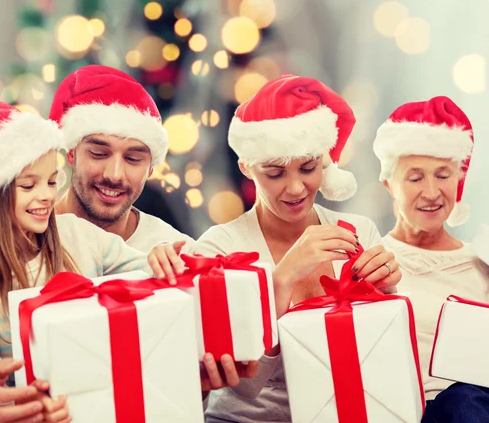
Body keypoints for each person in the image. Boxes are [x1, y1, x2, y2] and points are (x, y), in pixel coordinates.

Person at [0, 102, 184, 423]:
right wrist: (31, 410)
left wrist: (159, 257)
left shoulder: (74, 234)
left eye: (52, 182)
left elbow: (148, 275)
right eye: (28, 185)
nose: (46, 196)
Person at [194, 74, 402, 422]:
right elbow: (241, 388)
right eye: (275, 173)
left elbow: (383, 361)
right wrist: (281, 280)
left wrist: (389, 295)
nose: (295, 188)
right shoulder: (220, 249)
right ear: (246, 167)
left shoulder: (358, 231)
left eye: (308, 168)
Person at [374, 96, 489, 423]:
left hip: (471, 410)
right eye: (415, 178)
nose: (431, 192)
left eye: (443, 175)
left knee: (465, 398)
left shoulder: (483, 265)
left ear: (459, 180)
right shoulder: (372, 262)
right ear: (389, 185)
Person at [49, 65, 194, 251]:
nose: (114, 175)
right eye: (99, 154)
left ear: (151, 168)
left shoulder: (178, 253)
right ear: (71, 153)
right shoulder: (23, 240)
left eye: (133, 159)